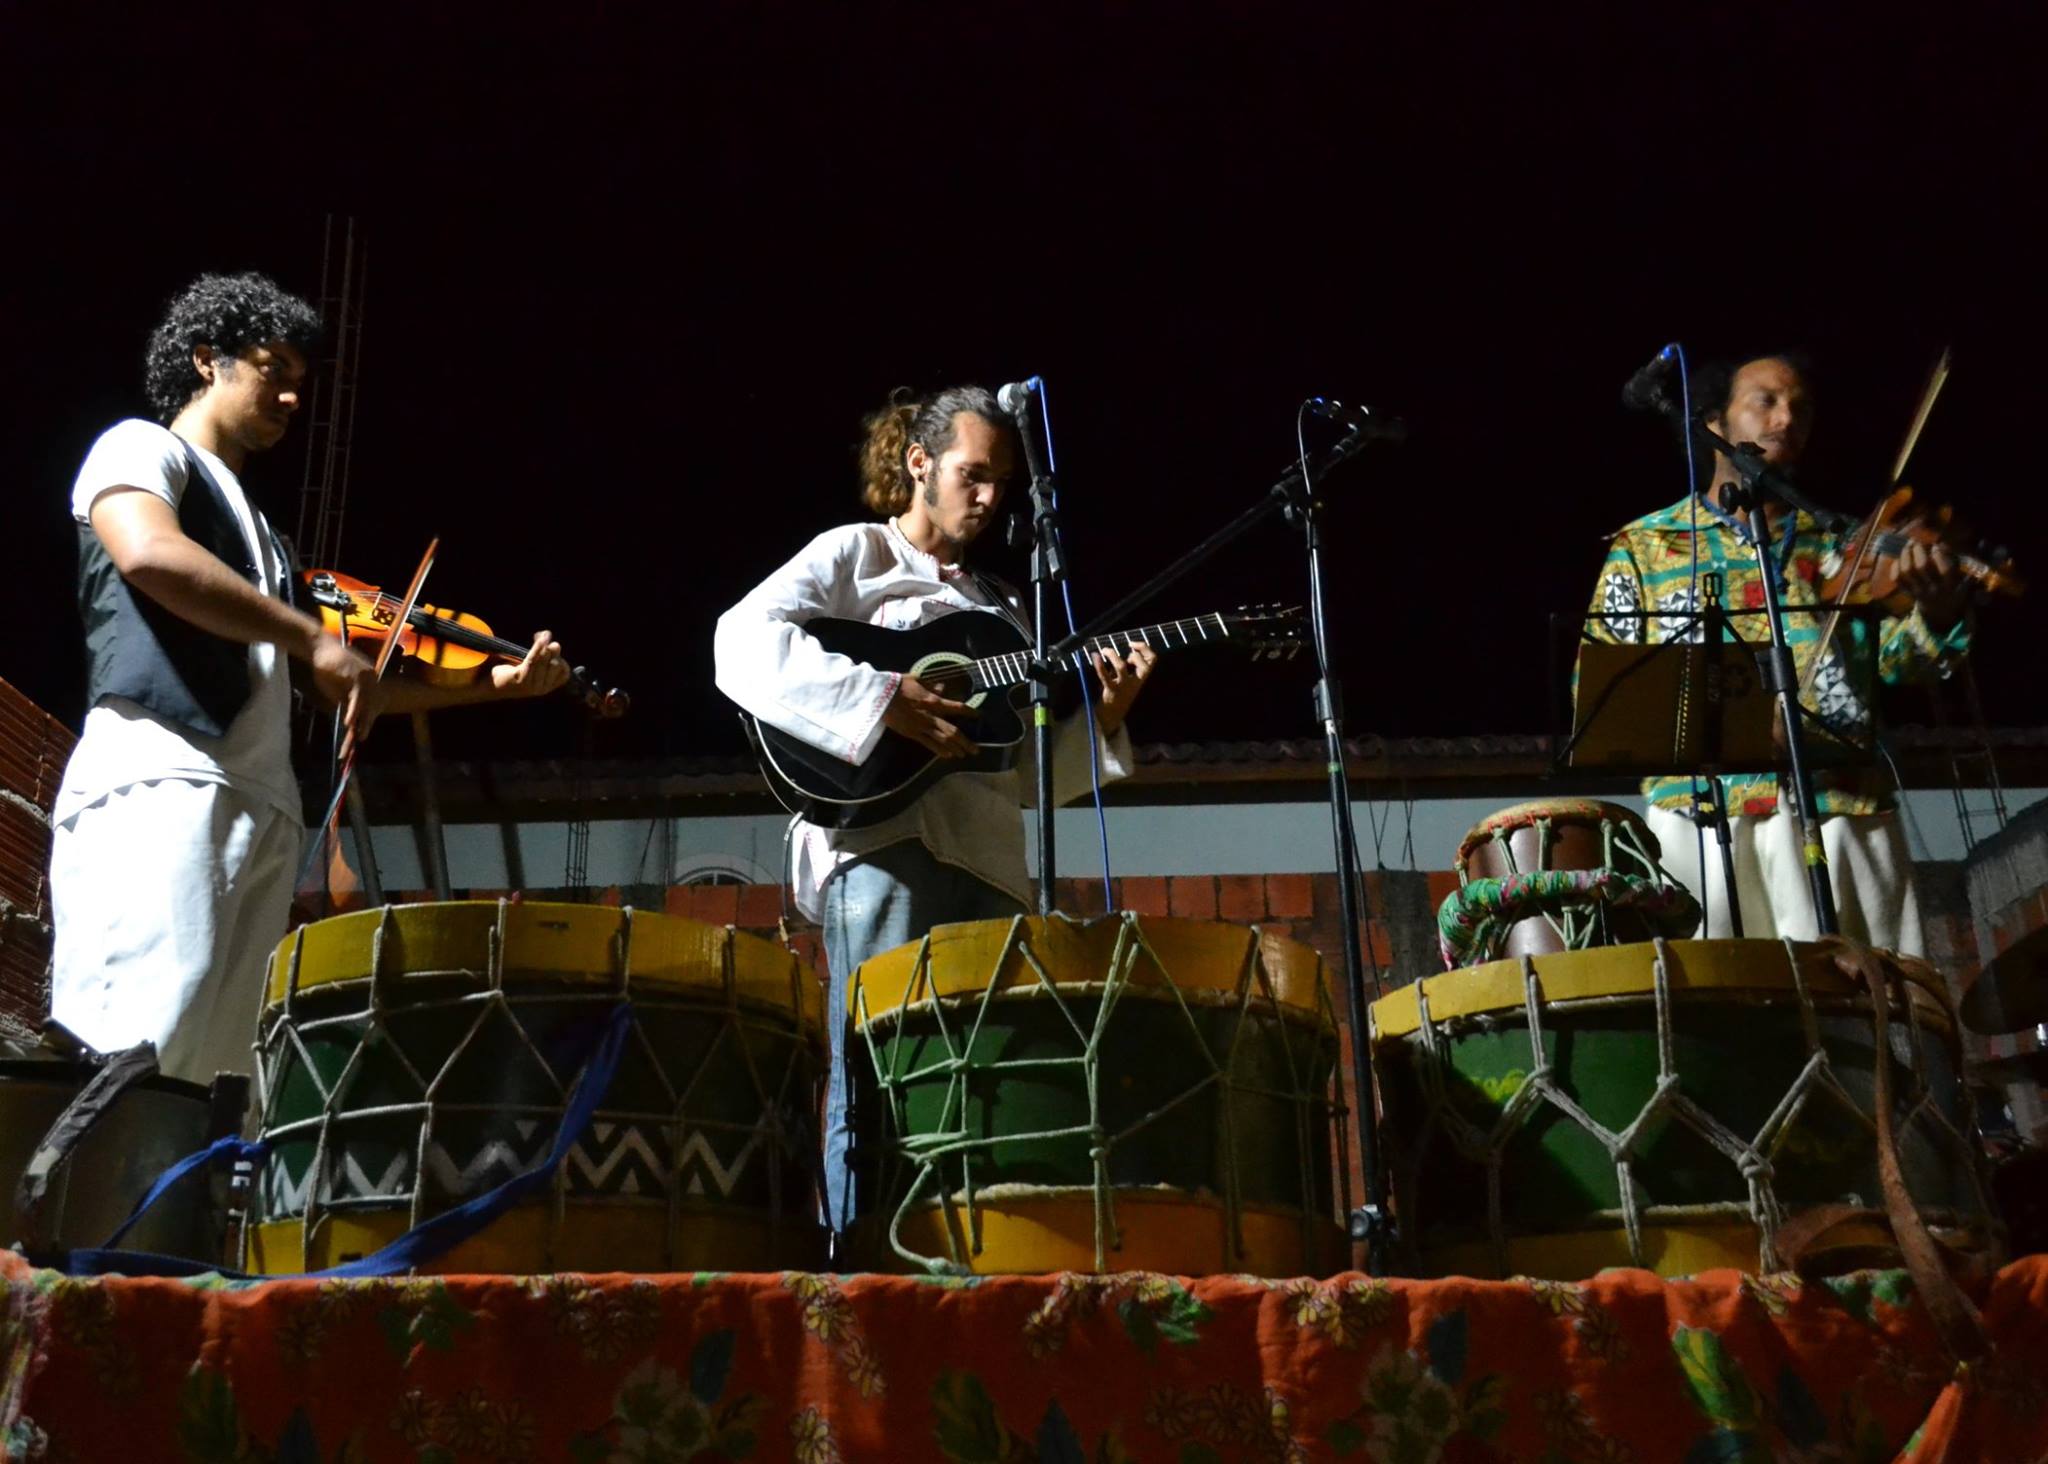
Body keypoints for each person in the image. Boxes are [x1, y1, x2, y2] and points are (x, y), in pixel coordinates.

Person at [49, 272, 571, 1084]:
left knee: (218, 1081)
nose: (293, 398)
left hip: (263, 807)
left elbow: (350, 684)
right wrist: (309, 635)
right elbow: (148, 553)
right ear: (207, 360)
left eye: (300, 381)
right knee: (135, 1053)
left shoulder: (266, 539)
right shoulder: (141, 447)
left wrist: (493, 688)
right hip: (164, 777)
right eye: (273, 370)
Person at [714, 385, 1158, 1233]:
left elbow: (1018, 772)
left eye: (1001, 483)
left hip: (991, 865)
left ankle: (966, 1268)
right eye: (972, 474)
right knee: (879, 1077)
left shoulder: (1005, 606)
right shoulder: (857, 554)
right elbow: (739, 639)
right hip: (887, 845)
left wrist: (1104, 717)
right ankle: (859, 1265)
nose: (988, 498)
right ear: (920, 463)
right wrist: (881, 698)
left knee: (984, 1085)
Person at [1582, 351, 1971, 953]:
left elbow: (1899, 663)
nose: (1787, 418)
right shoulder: (1646, 545)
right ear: (1714, 422)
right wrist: (1733, 721)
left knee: (1866, 993)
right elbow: (1602, 690)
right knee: (1722, 996)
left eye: (1800, 408)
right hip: (1699, 816)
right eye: (1766, 401)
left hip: (1840, 805)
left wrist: (1937, 616)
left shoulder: (1843, 545)